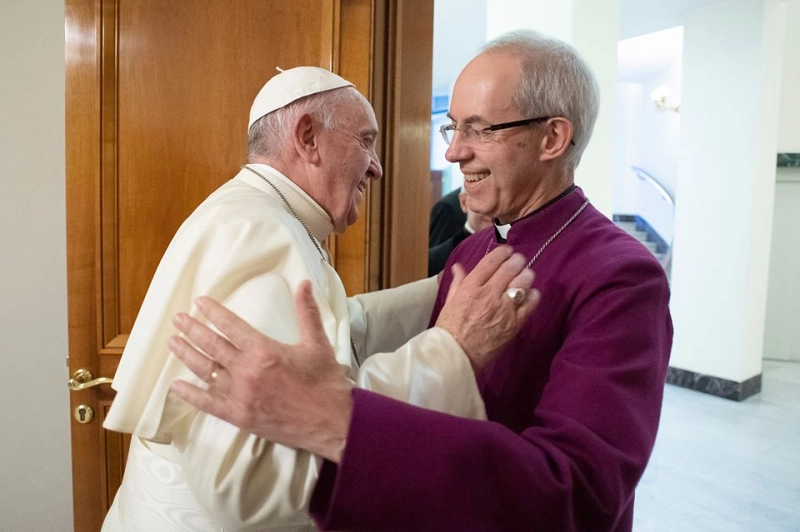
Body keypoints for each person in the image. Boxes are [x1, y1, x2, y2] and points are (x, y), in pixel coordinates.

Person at [169, 30, 673, 532]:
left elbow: (580, 494)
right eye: (452, 128)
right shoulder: (477, 247)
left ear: (552, 138)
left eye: (478, 130)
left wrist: (340, 421)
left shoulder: (621, 275)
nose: (453, 153)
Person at [101, 66, 539, 531]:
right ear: (307, 137)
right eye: (366, 141)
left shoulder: (255, 214)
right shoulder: (262, 238)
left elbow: (333, 333)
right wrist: (452, 349)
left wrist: (446, 289)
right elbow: (249, 484)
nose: (377, 166)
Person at [428, 188, 493, 276]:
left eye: (501, 199)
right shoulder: (434, 260)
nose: (492, 208)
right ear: (464, 202)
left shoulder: (514, 250)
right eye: (483, 199)